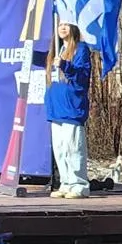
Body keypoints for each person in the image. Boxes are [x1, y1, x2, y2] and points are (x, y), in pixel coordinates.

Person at [47, 22, 92, 199]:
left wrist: (66, 65)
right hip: (56, 107)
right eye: (60, 24)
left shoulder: (81, 49)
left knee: (74, 148)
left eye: (67, 24)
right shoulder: (55, 49)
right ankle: (66, 182)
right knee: (60, 149)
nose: (62, 27)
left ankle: (79, 184)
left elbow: (82, 76)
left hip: (72, 107)